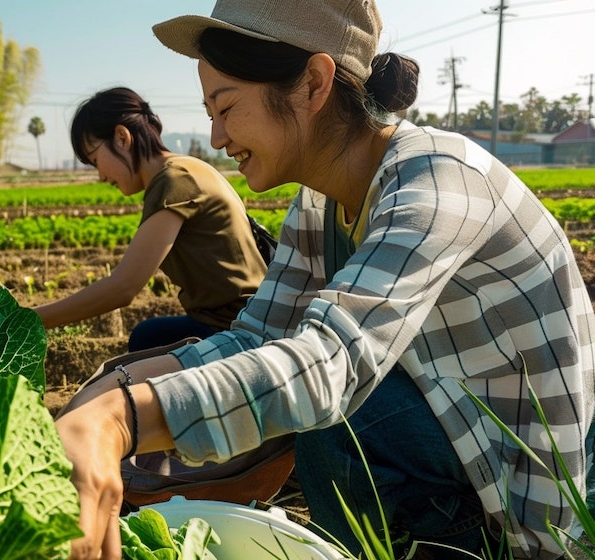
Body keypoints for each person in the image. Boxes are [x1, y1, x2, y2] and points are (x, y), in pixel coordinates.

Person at [54, 1, 595, 559]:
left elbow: (332, 361)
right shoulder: (318, 207)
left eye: (227, 107)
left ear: (313, 83)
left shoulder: (437, 182)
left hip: (532, 492)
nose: (216, 138)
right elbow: (256, 337)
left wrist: (120, 420)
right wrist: (104, 395)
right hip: (458, 438)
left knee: (344, 423)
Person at [31, 87, 268, 352]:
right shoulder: (186, 167)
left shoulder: (174, 180)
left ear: (121, 137)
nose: (100, 176)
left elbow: (124, 287)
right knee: (149, 336)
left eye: (96, 160)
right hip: (246, 317)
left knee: (147, 341)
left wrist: (28, 320)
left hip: (239, 328)